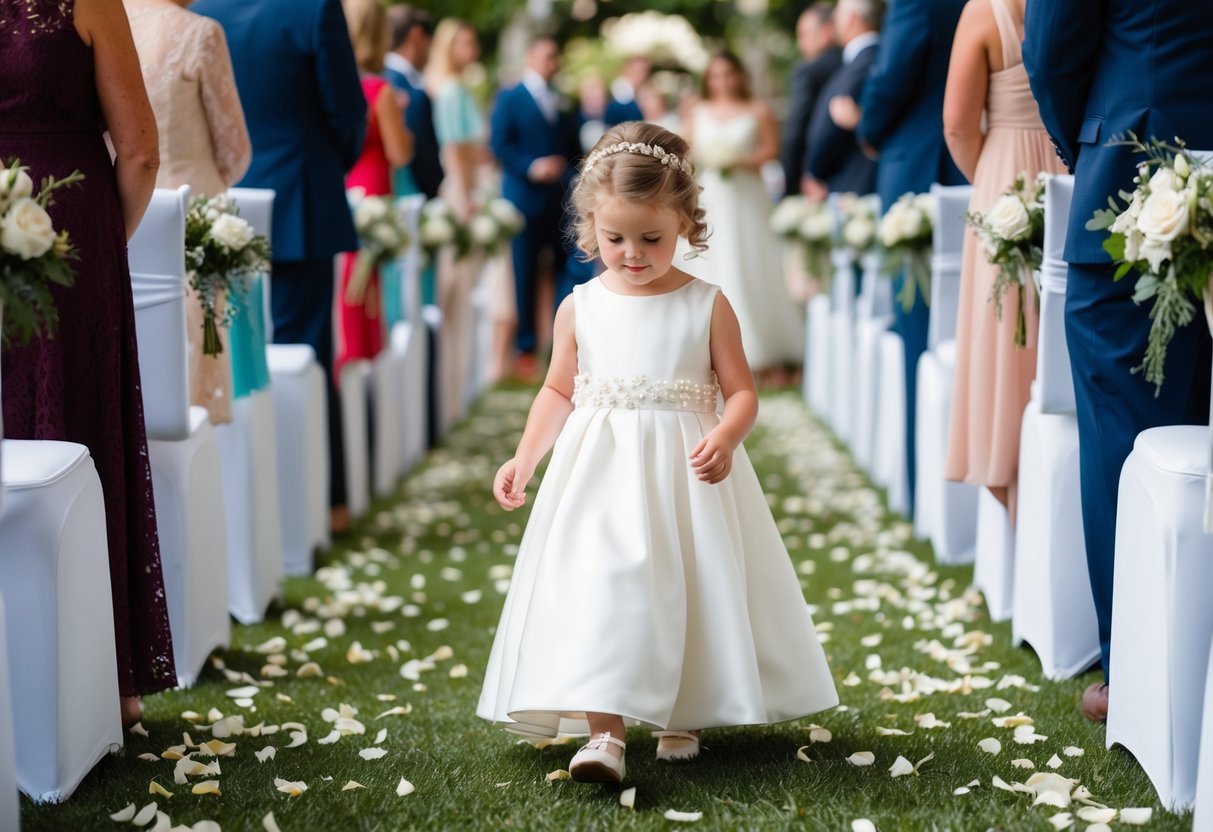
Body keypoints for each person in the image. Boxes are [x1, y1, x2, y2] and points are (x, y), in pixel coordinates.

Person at [477, 122, 837, 781]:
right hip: (597, 474)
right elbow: (558, 390)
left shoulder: (706, 304)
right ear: (590, 227)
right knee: (599, 588)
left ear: (686, 226)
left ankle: (682, 708)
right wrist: (525, 458)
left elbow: (742, 393)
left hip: (682, 469)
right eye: (614, 239)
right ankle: (604, 734)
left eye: (652, 239)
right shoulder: (579, 306)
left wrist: (724, 436)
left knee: (683, 586)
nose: (633, 254)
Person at [1024, 0, 1213, 722]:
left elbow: (1050, 52)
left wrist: (1095, 141)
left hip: (1132, 168)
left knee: (1120, 432)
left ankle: (1134, 664)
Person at [0, 0, 176, 725]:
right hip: (71, 240)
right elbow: (137, 148)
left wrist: (92, 247)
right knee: (75, 427)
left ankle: (90, 674)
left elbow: (139, 150)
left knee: (69, 425)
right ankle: (103, 677)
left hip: (66, 242)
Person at [193, 0, 366, 534]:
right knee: (307, 353)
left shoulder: (201, 9)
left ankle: (248, 513)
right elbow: (347, 111)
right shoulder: (314, 8)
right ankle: (321, 506)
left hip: (220, 204)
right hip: (301, 201)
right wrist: (320, 162)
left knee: (233, 360)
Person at [941, 0, 1066, 520]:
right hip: (1070, 167)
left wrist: (991, 182)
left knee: (1005, 334)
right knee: (1055, 331)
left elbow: (958, 126)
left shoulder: (982, 13)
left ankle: (1010, 485)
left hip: (1003, 172)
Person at [855, 0, 967, 514]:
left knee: (918, 331)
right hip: (972, 164)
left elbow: (891, 79)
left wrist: (868, 129)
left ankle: (926, 489)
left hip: (919, 167)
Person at [124, 0, 252, 426]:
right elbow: (235, 152)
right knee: (193, 361)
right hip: (191, 215)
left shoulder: (105, 18)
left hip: (125, 214)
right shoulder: (200, 32)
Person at [682, 52, 804, 375]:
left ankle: (761, 347)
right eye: (715, 75)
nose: (722, 81)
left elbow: (771, 150)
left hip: (746, 195)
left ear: (739, 75)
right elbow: (686, 150)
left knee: (750, 261)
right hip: (710, 195)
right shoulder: (697, 111)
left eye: (728, 74)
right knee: (712, 259)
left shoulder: (758, 110)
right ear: (708, 79)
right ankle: (704, 346)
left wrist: (739, 161)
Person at [489, 36, 581, 380]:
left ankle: (562, 347)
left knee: (565, 273)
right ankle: (524, 350)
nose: (552, 62)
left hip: (560, 202)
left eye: (556, 56)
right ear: (530, 57)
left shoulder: (565, 100)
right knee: (524, 275)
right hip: (524, 202)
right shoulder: (510, 97)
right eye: (547, 55)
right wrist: (532, 166)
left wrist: (567, 172)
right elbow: (500, 145)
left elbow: (574, 150)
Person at [336, 0, 412, 374]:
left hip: (349, 186)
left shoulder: (339, 83)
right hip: (375, 187)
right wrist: (403, 122)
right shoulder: (380, 90)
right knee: (368, 281)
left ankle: (351, 358)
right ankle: (367, 357)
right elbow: (399, 153)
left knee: (349, 275)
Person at [426, 17, 486, 424]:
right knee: (457, 292)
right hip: (460, 195)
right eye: (466, 43)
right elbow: (456, 151)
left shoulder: (452, 89)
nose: (474, 51)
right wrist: (468, 199)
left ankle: (458, 390)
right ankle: (452, 395)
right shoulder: (452, 92)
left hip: (462, 191)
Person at [803, 0, 880, 197]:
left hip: (855, 182)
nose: (833, 21)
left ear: (852, 19)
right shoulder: (855, 60)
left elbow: (831, 127)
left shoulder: (866, 59)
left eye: (837, 14)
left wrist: (815, 172)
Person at [781, 3, 841, 197]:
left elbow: (795, 133)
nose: (800, 44)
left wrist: (791, 183)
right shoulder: (858, 62)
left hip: (813, 181)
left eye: (804, 35)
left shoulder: (807, 72)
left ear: (826, 32)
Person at [384, 5, 442, 202]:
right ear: (417, 35)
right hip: (411, 196)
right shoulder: (406, 89)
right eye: (430, 43)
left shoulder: (377, 77)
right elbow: (421, 153)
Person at [603, 54, 650, 127]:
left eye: (643, 71)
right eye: (636, 70)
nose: (640, 75)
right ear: (627, 70)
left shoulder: (645, 92)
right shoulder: (617, 96)